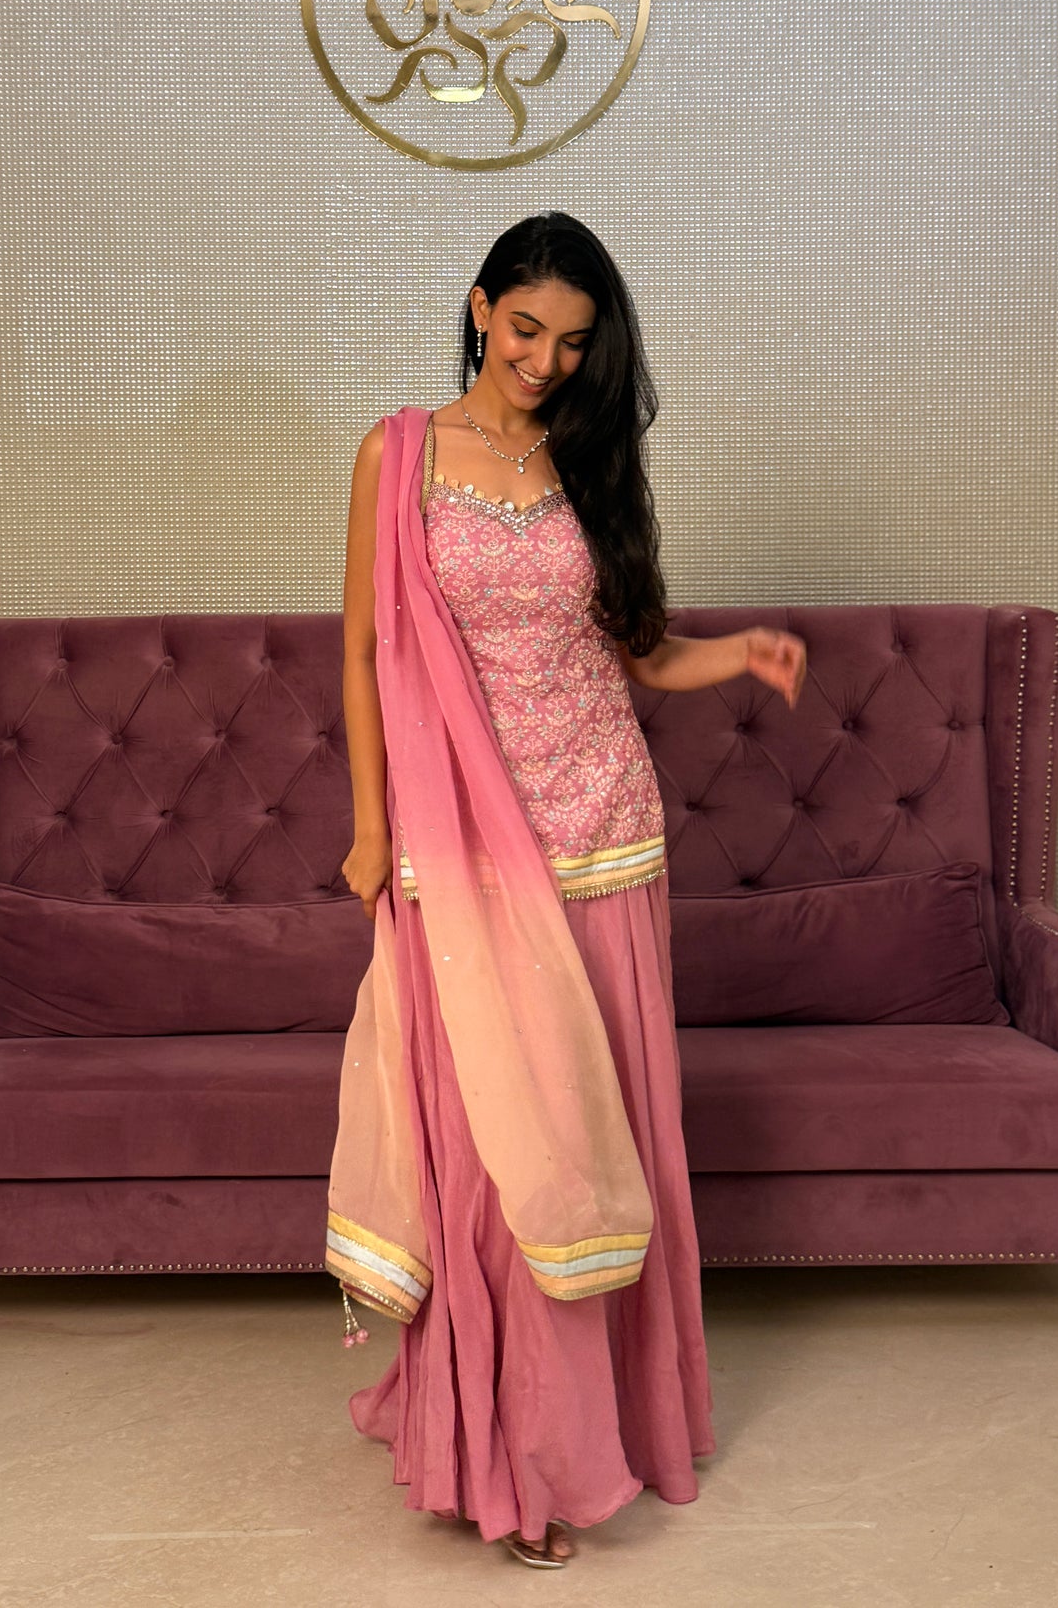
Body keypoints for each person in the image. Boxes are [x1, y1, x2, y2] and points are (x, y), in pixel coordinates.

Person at [328, 211, 806, 1568]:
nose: (543, 360)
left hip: (604, 838)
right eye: (525, 327)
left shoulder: (589, 455)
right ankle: (507, 1462)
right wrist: (372, 830)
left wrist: (740, 656)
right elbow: (364, 656)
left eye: (572, 342)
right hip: (463, 851)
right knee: (495, 1154)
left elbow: (637, 653)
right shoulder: (398, 453)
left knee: (601, 1141)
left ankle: (606, 1436)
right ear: (479, 307)